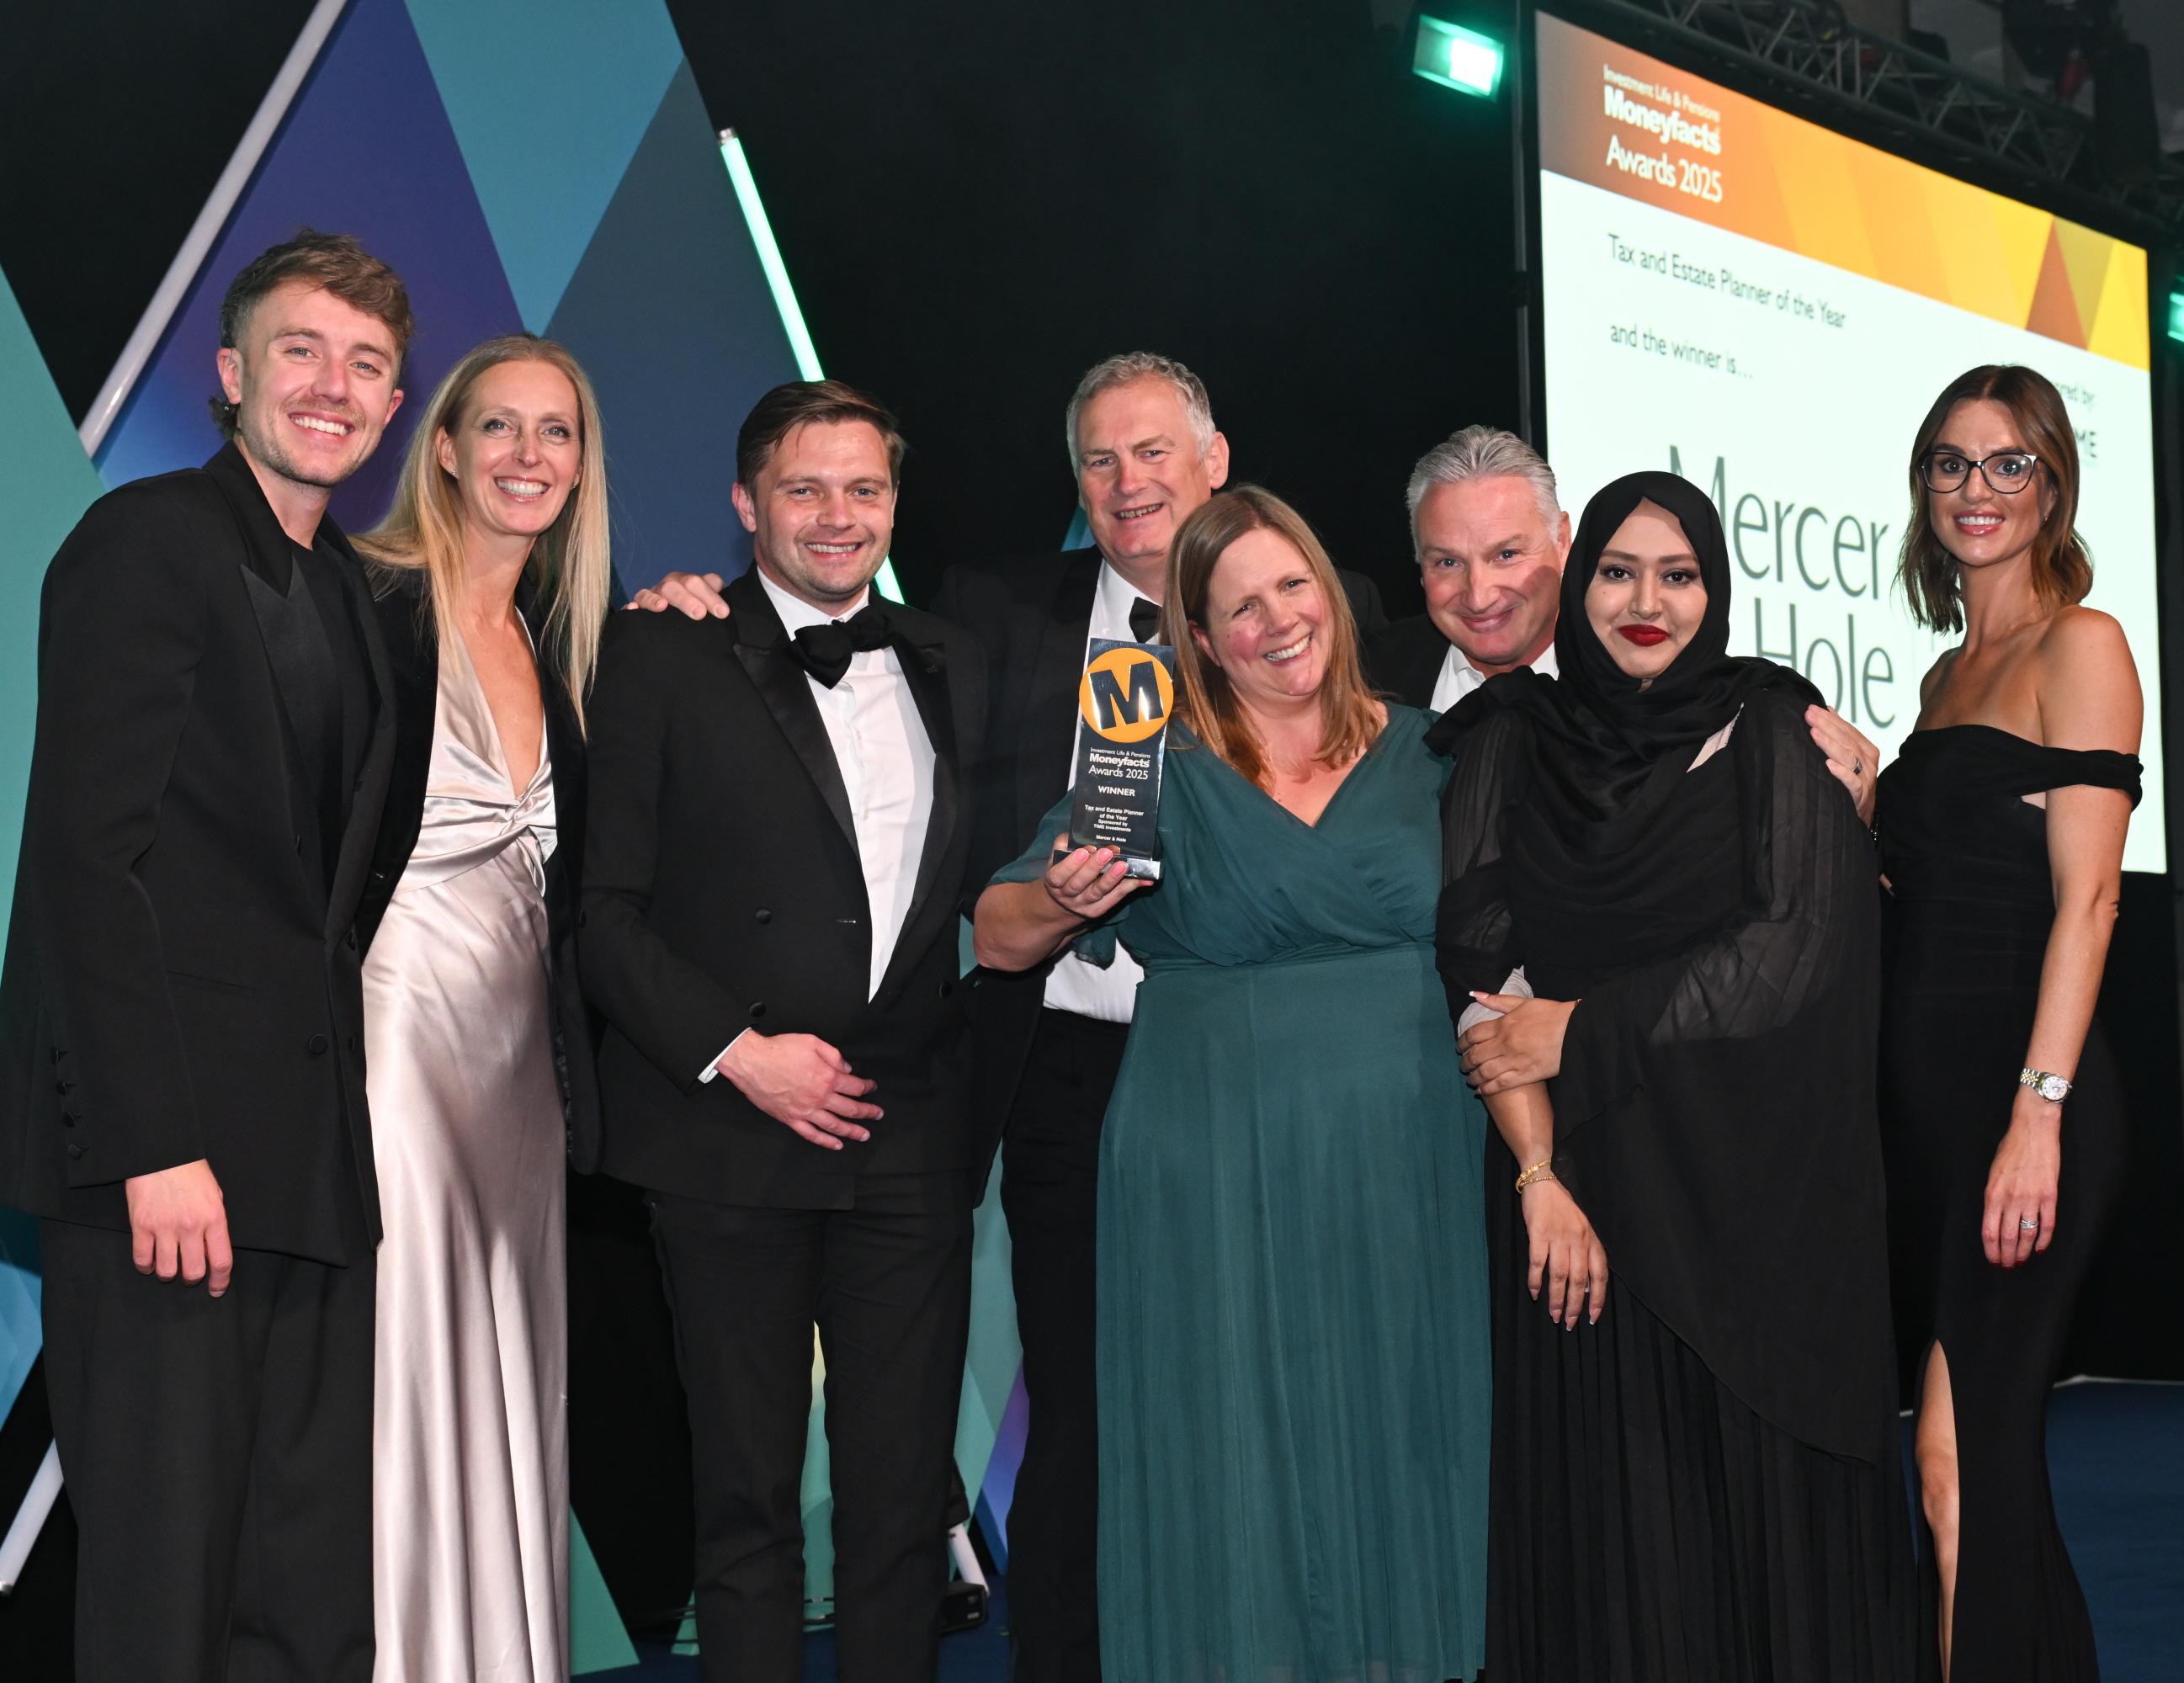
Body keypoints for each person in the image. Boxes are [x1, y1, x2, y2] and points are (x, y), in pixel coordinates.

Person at [630, 350, 1386, 1683]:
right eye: (1099, 460)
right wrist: (689, 599)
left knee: (1279, 1390)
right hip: (1064, 1074)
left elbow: (1446, 732)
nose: (1127, 482)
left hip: (1270, 1071)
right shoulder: (986, 618)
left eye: (1153, 453)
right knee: (1077, 1413)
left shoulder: (1320, 616)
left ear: (1215, 462)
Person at [975, 486, 1491, 1683]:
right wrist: (1059, 897)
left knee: (1406, 1427)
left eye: (1292, 585)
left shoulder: (1438, 751)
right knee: (1230, 1445)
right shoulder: (1150, 764)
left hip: (1411, 1152)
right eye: (1239, 607)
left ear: (1332, 593)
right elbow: (997, 933)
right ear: (1199, 639)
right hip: (1207, 1155)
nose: (1277, 620)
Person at [0, 232, 409, 1680]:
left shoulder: (360, 593)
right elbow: (88, 865)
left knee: (307, 1600)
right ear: (230, 374)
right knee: (164, 1601)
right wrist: (154, 1145)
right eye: (301, 351)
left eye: (366, 365)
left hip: (308, 1174)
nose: (333, 385)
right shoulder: (148, 542)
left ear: (393, 405)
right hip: (170, 1175)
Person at [1432, 470, 1913, 1682]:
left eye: (1678, 574)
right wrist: (1539, 1174)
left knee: (1760, 1538)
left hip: (1753, 1202)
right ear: (1575, 579)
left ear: (1715, 589)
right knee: (1615, 1535)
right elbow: (1482, 976)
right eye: (1616, 571)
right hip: (1579, 1198)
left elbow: (1792, 955)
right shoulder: (1508, 737)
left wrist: (1581, 1028)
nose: (1646, 602)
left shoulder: (1774, 725)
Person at [579, 380, 987, 1683]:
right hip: (725, 1132)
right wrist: (740, 1055)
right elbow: (600, 911)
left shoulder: (952, 659)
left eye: (863, 488)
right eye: (802, 488)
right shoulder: (658, 652)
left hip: (906, 1133)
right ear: (746, 504)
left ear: (894, 503)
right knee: (744, 1502)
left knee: (900, 1503)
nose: (835, 514)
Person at [349, 333, 611, 1680]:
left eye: (555, 432)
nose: (527, 455)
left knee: (514, 1358)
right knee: (407, 1352)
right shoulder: (363, 600)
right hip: (393, 1036)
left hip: (522, 1071)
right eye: (498, 426)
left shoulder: (561, 646)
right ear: (442, 447)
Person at [1875, 366, 2140, 1681]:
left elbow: (2086, 900)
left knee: (1966, 1465)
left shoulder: (2077, 644)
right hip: (1933, 1124)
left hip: (2025, 1108)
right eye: (1948, 463)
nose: (1972, 489)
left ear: (2050, 486)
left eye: (2004, 463)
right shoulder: (1941, 674)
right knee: (1946, 1468)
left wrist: (2034, 1117)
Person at [1368, 425, 1881, 820]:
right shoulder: (1364, 676)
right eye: (1447, 562)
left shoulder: (1669, 690)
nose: (1479, 594)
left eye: (1506, 554)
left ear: (1564, 541)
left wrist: (1860, 812)